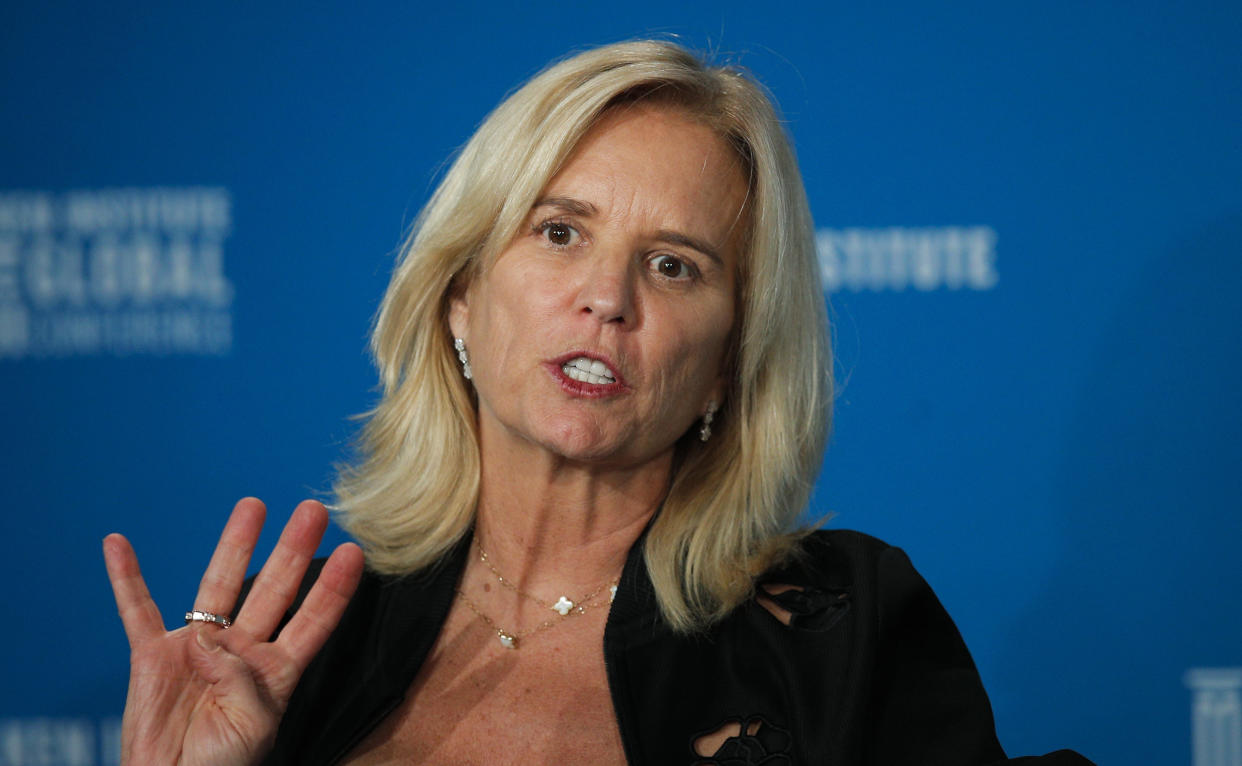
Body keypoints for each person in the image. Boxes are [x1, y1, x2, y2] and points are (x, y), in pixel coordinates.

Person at [104, 40, 1092, 765]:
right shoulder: (300, 647)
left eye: (674, 264)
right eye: (560, 233)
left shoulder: (842, 633)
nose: (608, 298)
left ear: (723, 365)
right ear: (460, 295)